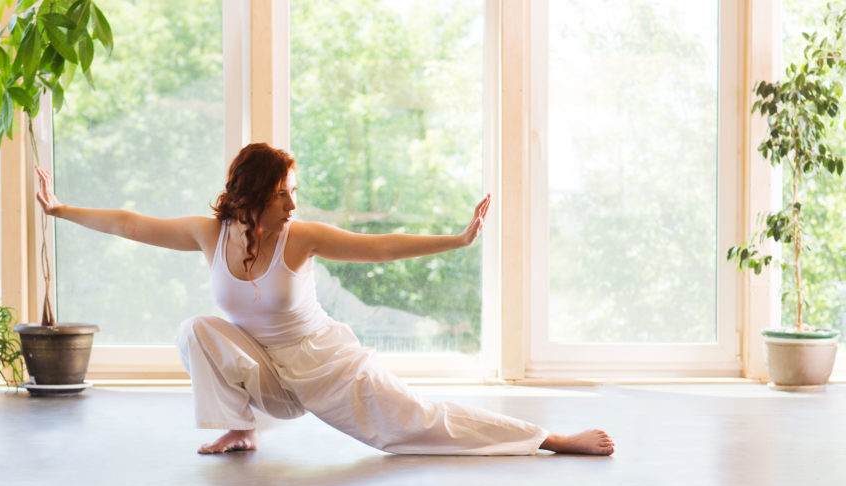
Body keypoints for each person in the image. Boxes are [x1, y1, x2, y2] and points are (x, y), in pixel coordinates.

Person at [34, 142, 614, 456]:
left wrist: (457, 239)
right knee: (195, 329)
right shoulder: (211, 235)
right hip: (268, 378)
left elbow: (381, 248)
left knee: (416, 426)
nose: (293, 203)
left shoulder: (300, 237)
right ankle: (240, 430)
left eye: (294, 192)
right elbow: (131, 223)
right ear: (255, 196)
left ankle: (547, 438)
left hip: (327, 369)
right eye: (284, 193)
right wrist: (60, 208)